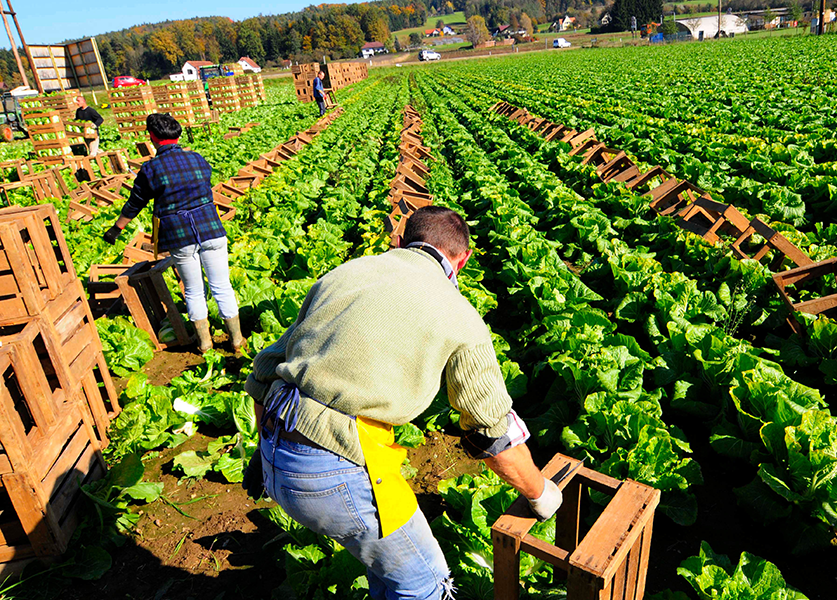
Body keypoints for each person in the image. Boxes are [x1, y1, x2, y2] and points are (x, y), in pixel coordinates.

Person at [243, 206, 562, 600]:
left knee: (387, 566)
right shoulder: (461, 316)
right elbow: (492, 434)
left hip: (274, 451)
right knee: (424, 584)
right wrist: (541, 494)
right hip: (333, 472)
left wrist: (268, 451)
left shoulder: (346, 274)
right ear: (463, 259)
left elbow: (264, 371)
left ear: (400, 239)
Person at [102, 113, 244, 354]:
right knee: (222, 286)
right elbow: (206, 182)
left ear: (152, 138)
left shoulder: (150, 170)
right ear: (177, 135)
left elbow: (135, 204)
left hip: (180, 237)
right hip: (211, 229)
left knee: (193, 290)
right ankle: (237, 340)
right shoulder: (197, 159)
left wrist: (116, 229)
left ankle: (205, 343)